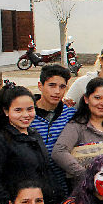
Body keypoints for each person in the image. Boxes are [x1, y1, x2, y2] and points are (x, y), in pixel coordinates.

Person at [0, 83, 61, 204]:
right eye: (18, 110)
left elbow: (46, 171)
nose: (26, 115)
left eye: (30, 109)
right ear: (6, 111)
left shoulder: (34, 134)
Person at [52, 78, 103, 184]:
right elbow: (59, 152)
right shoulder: (77, 126)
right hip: (85, 190)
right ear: (86, 99)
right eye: (97, 98)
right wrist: (87, 174)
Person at [31, 64, 76, 196]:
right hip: (33, 187)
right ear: (40, 86)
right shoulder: (27, 114)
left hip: (63, 188)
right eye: (52, 85)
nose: (57, 91)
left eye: (62, 87)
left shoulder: (70, 114)